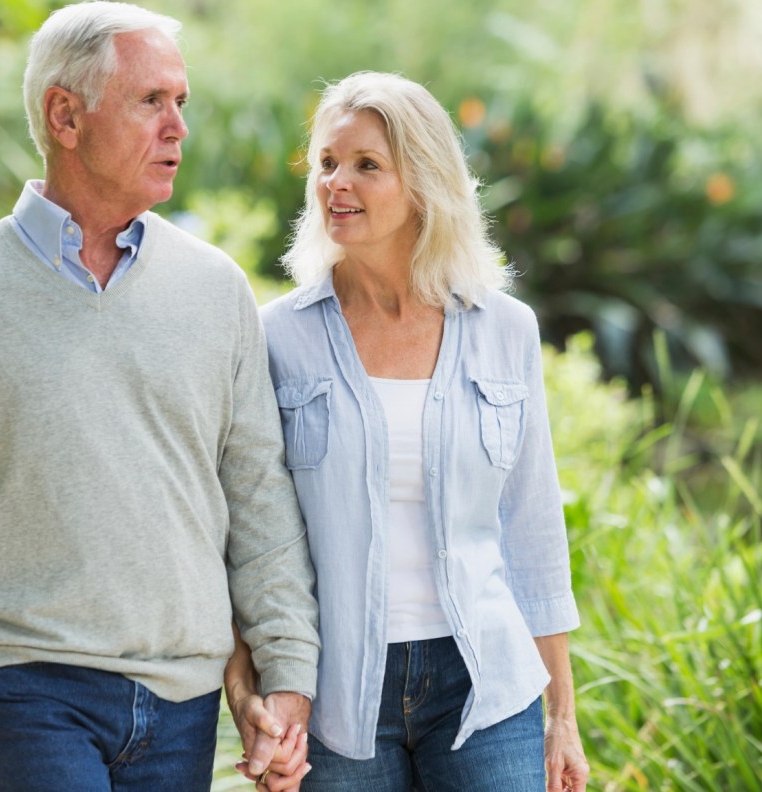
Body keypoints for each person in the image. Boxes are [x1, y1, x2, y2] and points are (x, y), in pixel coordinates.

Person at [0, 3, 319, 790]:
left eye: (181, 102)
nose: (178, 128)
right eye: (150, 101)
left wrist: (287, 671)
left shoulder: (214, 291)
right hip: (26, 680)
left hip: (183, 696)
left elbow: (258, 496)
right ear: (66, 116)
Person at [225, 71, 590, 791]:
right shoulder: (277, 339)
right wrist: (253, 689)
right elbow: (248, 530)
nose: (337, 183)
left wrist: (563, 714)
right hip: (336, 693)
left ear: (423, 182)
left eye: (366, 165)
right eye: (327, 163)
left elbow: (532, 526)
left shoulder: (504, 329)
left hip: (485, 682)